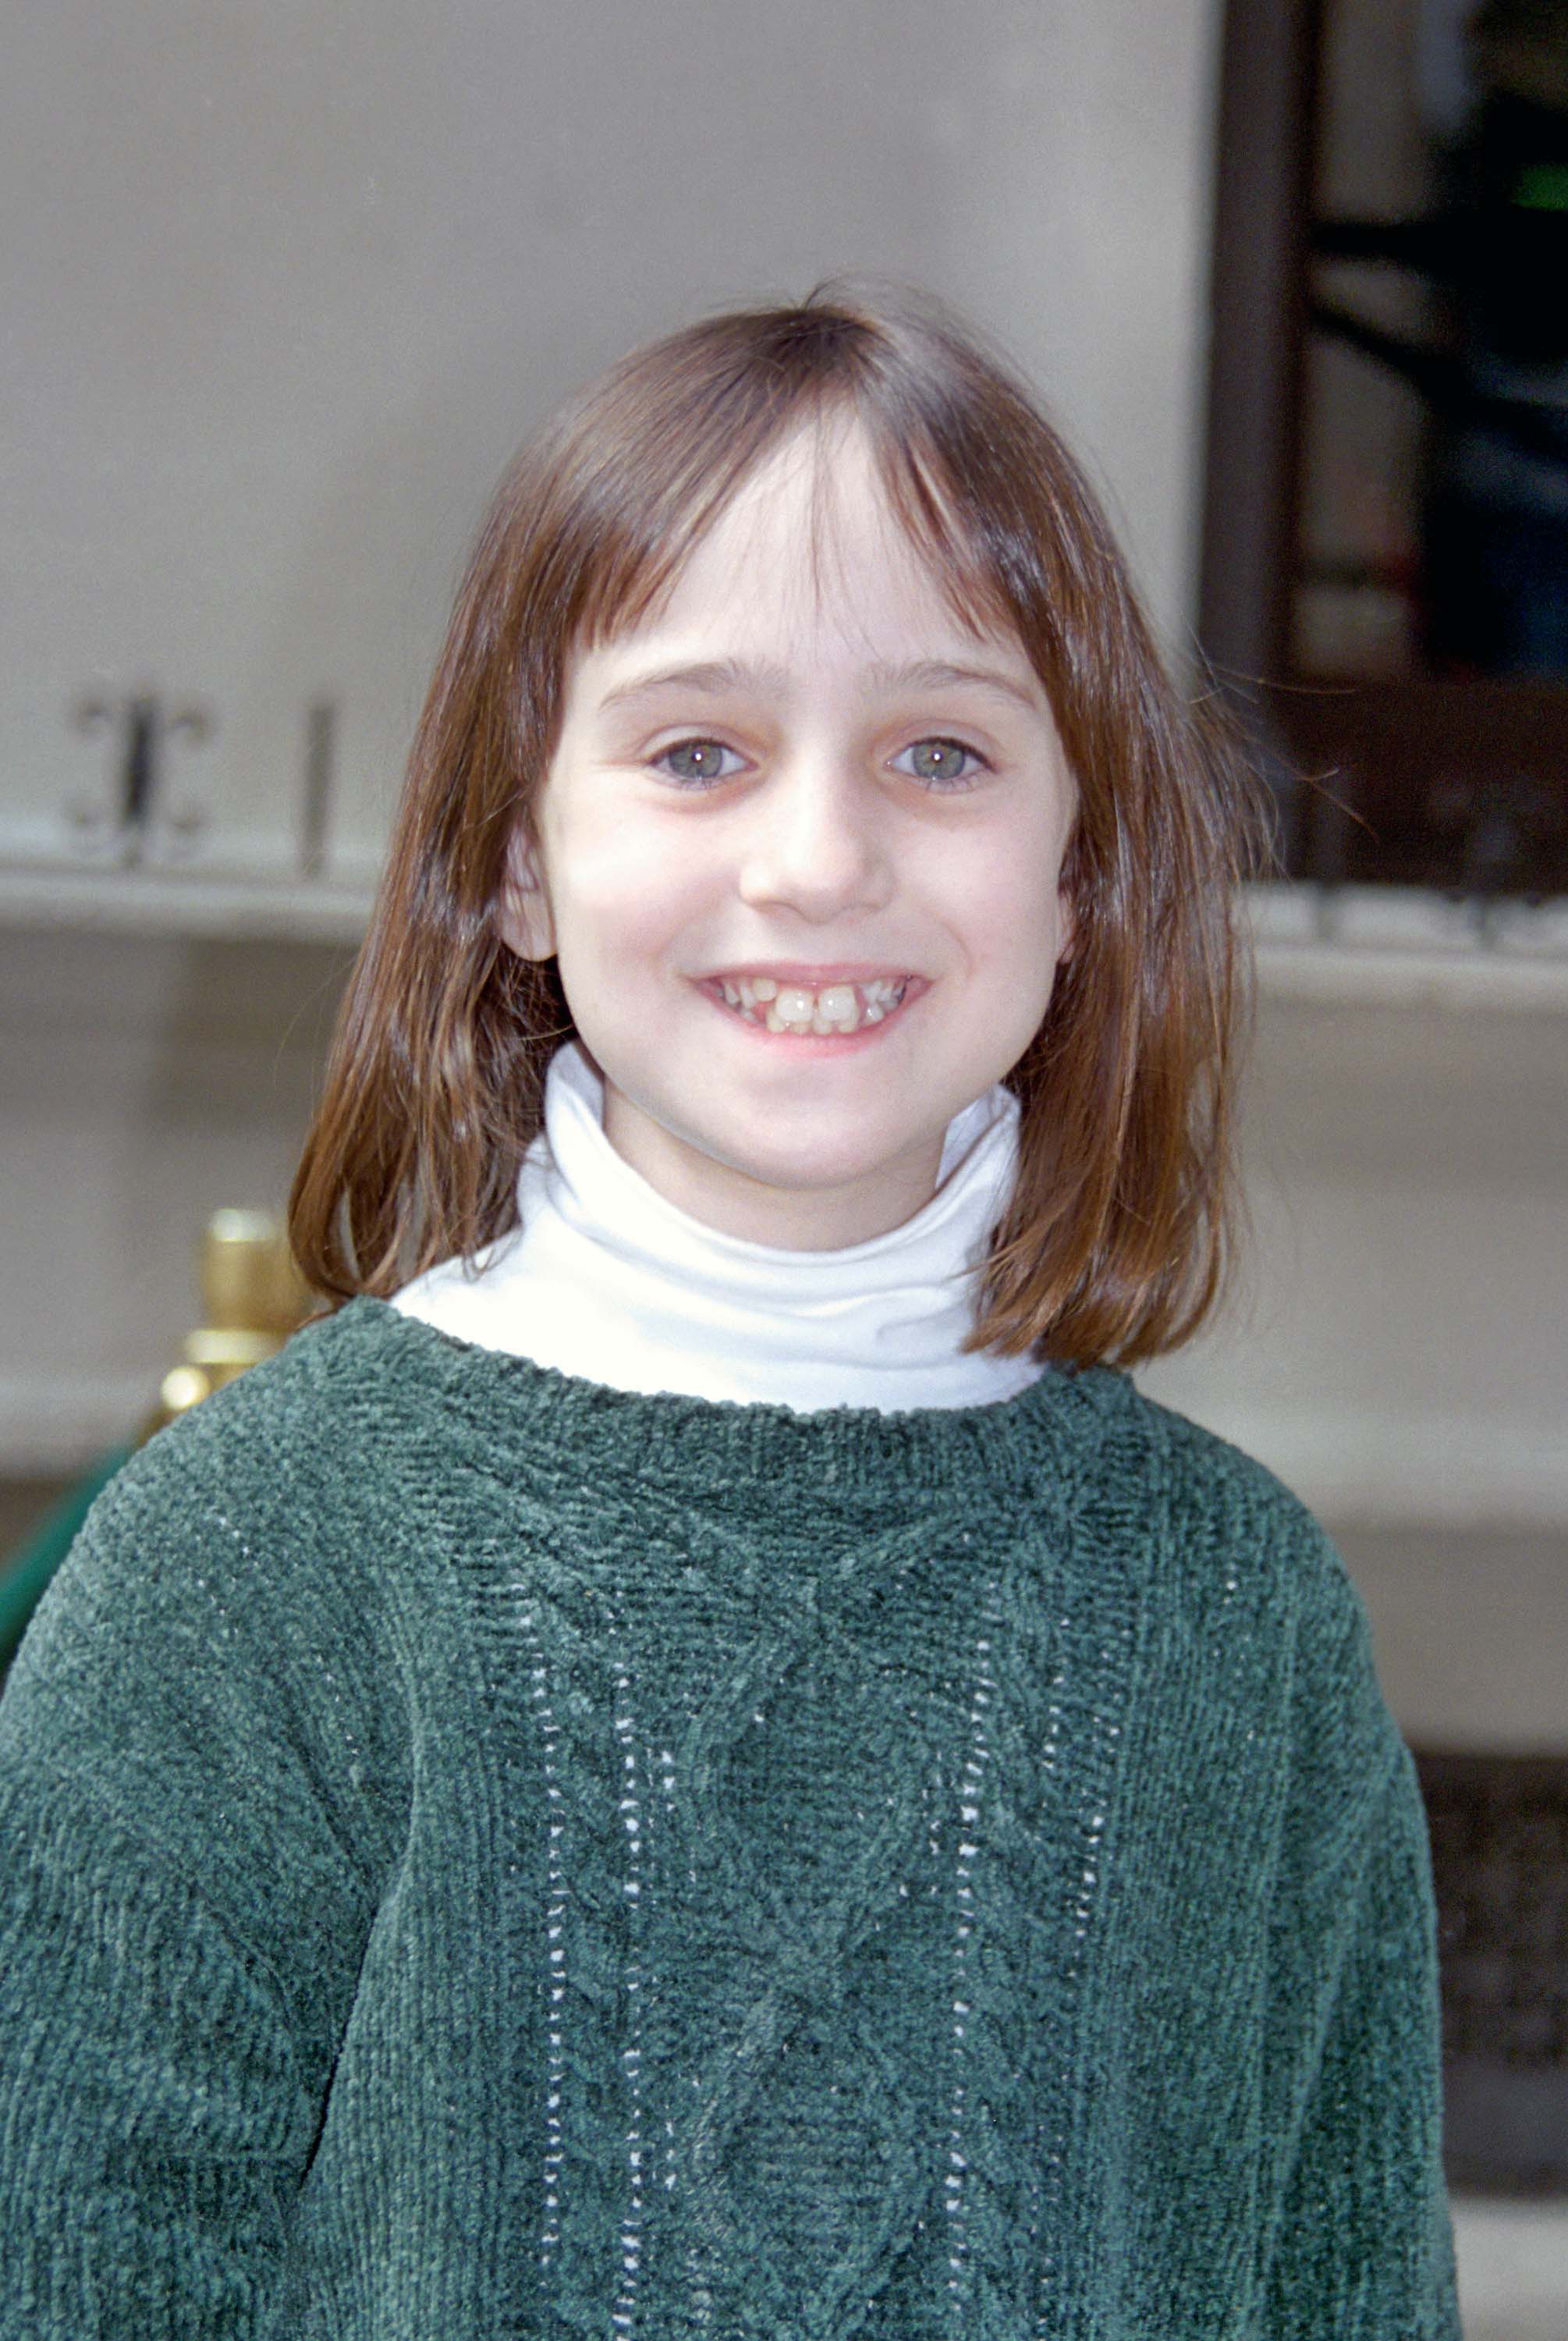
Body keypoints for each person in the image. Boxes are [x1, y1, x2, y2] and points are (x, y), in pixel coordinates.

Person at [0, 280, 1460, 2338]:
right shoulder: (244, 1574)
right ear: (516, 860)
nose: (813, 858)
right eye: (698, 752)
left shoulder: (1239, 1617)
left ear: (1080, 872)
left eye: (937, 753)